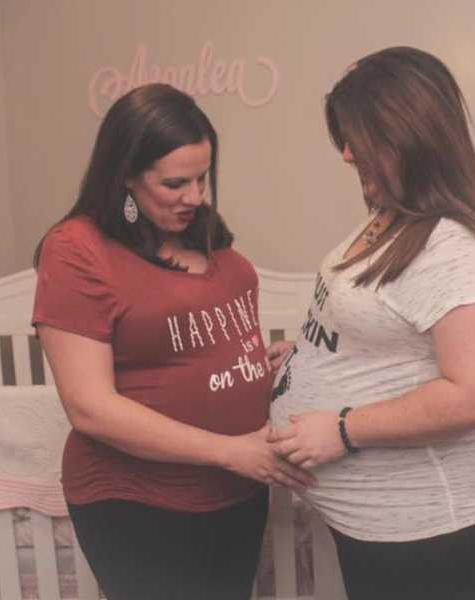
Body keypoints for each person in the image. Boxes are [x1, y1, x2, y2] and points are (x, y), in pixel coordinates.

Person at [31, 83, 314, 600]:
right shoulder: (76, 250)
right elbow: (90, 407)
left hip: (236, 487)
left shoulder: (196, 230)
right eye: (175, 183)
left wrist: (258, 359)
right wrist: (229, 451)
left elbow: (191, 340)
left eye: (203, 178)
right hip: (144, 500)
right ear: (126, 177)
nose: (195, 196)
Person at [266, 46, 475, 600]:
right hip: (386, 520)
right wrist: (313, 354)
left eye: (357, 137)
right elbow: (382, 327)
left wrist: (340, 429)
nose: (346, 153)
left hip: (430, 523)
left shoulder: (458, 250)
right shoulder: (395, 219)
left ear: (410, 135)